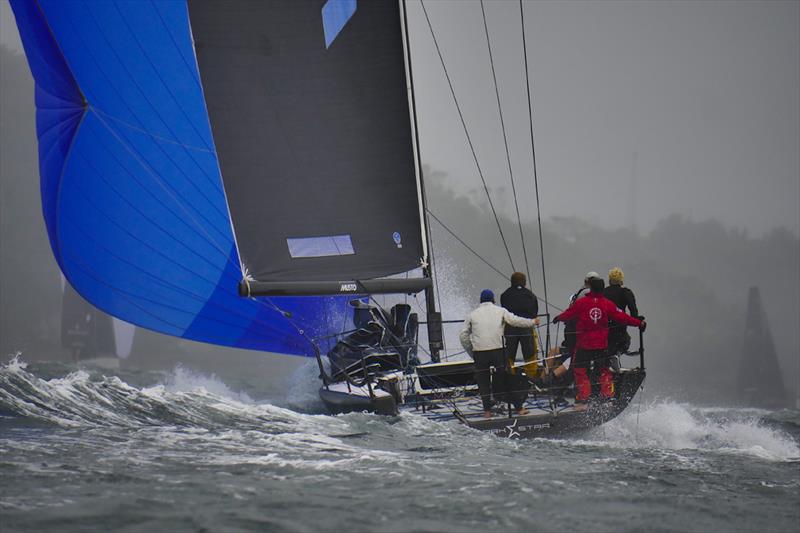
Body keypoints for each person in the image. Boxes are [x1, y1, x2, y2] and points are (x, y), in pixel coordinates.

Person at [553, 278, 645, 411]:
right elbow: (623, 317)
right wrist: (638, 323)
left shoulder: (581, 302)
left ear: (590, 288)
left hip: (584, 344)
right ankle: (607, 398)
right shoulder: (607, 304)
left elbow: (569, 313)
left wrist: (558, 318)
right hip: (601, 345)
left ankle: (584, 401)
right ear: (602, 289)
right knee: (603, 370)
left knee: (580, 370)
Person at [460, 289, 538, 418]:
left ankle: (487, 412)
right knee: (507, 377)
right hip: (498, 350)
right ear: (493, 300)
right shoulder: (500, 311)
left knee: (483, 382)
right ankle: (519, 408)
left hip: (480, 352)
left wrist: (472, 351)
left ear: (480, 301)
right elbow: (515, 321)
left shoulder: (472, 314)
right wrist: (532, 322)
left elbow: (463, 336)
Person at [500, 272, 540, 375]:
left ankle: (509, 375)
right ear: (524, 282)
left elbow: (504, 311)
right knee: (530, 352)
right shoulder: (531, 295)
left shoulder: (505, 295)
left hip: (510, 328)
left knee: (509, 353)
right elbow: (534, 313)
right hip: (526, 327)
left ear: (511, 282)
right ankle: (531, 376)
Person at [603, 267, 640, 358]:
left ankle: (609, 359)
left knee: (607, 347)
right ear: (621, 281)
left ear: (610, 280)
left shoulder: (603, 292)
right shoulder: (625, 292)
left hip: (604, 327)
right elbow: (632, 308)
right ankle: (619, 352)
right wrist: (636, 319)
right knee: (626, 340)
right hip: (619, 327)